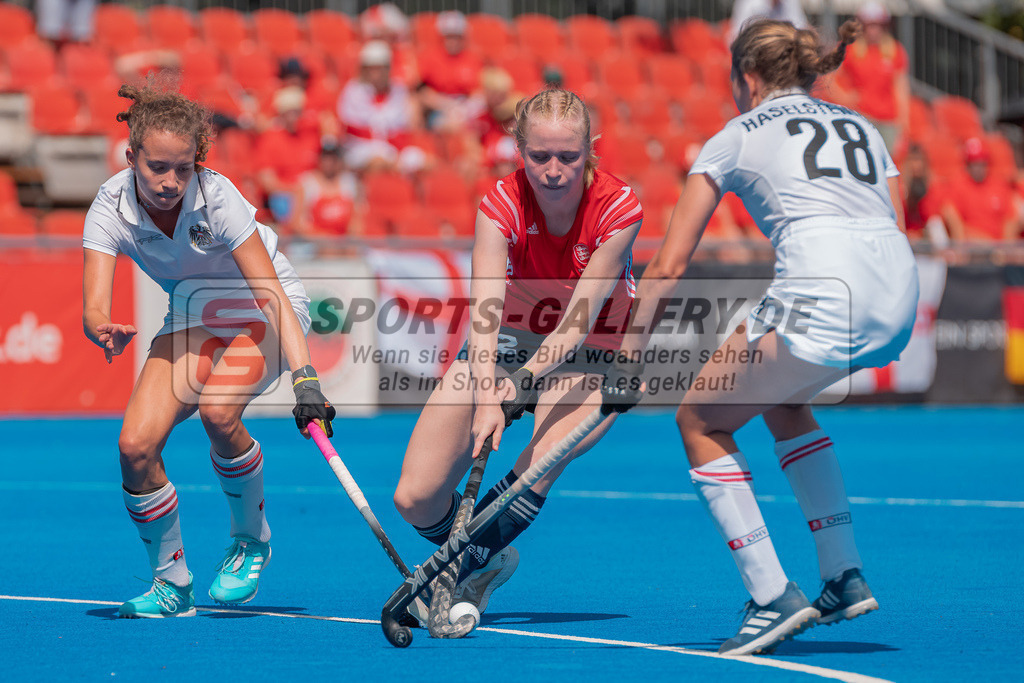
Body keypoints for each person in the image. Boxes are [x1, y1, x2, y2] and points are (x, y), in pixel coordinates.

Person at [611, 18, 918, 655]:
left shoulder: (733, 135)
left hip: (825, 294)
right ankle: (843, 573)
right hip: (899, 292)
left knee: (699, 419)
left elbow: (670, 262)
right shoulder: (860, 124)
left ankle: (771, 595)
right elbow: (891, 213)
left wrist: (629, 350)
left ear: (745, 76)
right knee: (783, 400)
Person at [82, 80, 335, 618]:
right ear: (131, 157)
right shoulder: (108, 205)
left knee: (220, 413)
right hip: (194, 313)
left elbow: (268, 294)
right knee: (135, 448)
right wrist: (102, 326)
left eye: (183, 168)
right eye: (156, 168)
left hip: (263, 306)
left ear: (197, 161)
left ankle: (251, 540)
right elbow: (93, 307)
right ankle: (172, 582)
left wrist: (305, 377)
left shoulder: (216, 196)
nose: (171, 182)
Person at [392, 88, 643, 615]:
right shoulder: (500, 204)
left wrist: (522, 381)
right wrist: (489, 392)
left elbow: (577, 323)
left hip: (594, 346)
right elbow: (484, 312)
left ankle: (457, 568)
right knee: (414, 498)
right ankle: (482, 559)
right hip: (507, 338)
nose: (554, 170)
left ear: (591, 149)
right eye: (540, 156)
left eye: (569, 157)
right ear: (518, 149)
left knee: (541, 459)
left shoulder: (619, 208)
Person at [337, 40, 425, 174]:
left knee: (422, 162)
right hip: (360, 147)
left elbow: (403, 127)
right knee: (379, 162)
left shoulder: (399, 90)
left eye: (380, 67)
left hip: (394, 147)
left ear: (388, 68)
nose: (375, 72)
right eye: (371, 68)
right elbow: (350, 128)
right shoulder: (353, 91)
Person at [832, 2, 910, 151]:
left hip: (888, 121)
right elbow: (828, 77)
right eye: (869, 25)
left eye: (877, 25)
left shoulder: (895, 51)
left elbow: (901, 92)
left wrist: (903, 127)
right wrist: (844, 98)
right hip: (862, 117)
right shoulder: (850, 48)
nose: (873, 30)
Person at [941, 137, 1020, 242]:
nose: (978, 168)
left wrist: (1005, 246)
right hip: (973, 245)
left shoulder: (999, 184)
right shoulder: (958, 185)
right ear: (968, 165)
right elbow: (950, 214)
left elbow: (1011, 217)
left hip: (999, 247)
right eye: (974, 164)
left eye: (982, 163)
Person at [728, 0, 807, 42]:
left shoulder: (790, 2)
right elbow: (738, 34)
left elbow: (802, 27)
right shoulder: (749, 3)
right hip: (754, 54)